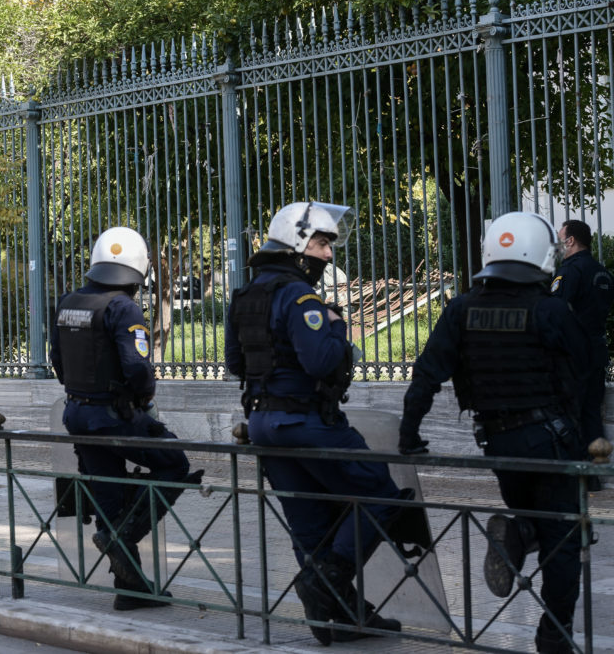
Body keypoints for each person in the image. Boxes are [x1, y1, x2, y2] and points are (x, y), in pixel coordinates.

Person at [399, 211, 588, 654]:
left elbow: (426, 373)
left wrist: (410, 435)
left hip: (497, 444)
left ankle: (520, 532)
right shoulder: (550, 309)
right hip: (550, 438)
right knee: (564, 539)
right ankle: (554, 635)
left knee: (538, 518)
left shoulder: (462, 308)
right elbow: (580, 374)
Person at [225, 201, 409, 645]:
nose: (329, 255)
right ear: (297, 244)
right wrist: (338, 326)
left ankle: (337, 618)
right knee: (381, 495)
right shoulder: (300, 297)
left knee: (311, 523)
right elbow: (322, 360)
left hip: (264, 423)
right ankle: (325, 586)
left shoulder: (245, 296)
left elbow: (235, 364)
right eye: (323, 243)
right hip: (306, 421)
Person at [50, 226, 203, 612]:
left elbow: (57, 361)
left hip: (76, 411)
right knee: (174, 463)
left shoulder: (69, 301)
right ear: (137, 270)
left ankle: (130, 589)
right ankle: (120, 537)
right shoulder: (124, 306)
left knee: (108, 495)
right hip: (113, 415)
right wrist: (141, 396)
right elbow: (138, 368)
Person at [551, 219, 613, 491]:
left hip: (573, 354)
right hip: (597, 350)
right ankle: (594, 475)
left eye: (560, 238)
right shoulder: (602, 273)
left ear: (571, 240)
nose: (559, 244)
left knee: (569, 413)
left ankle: (575, 474)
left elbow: (555, 310)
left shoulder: (570, 271)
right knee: (591, 413)